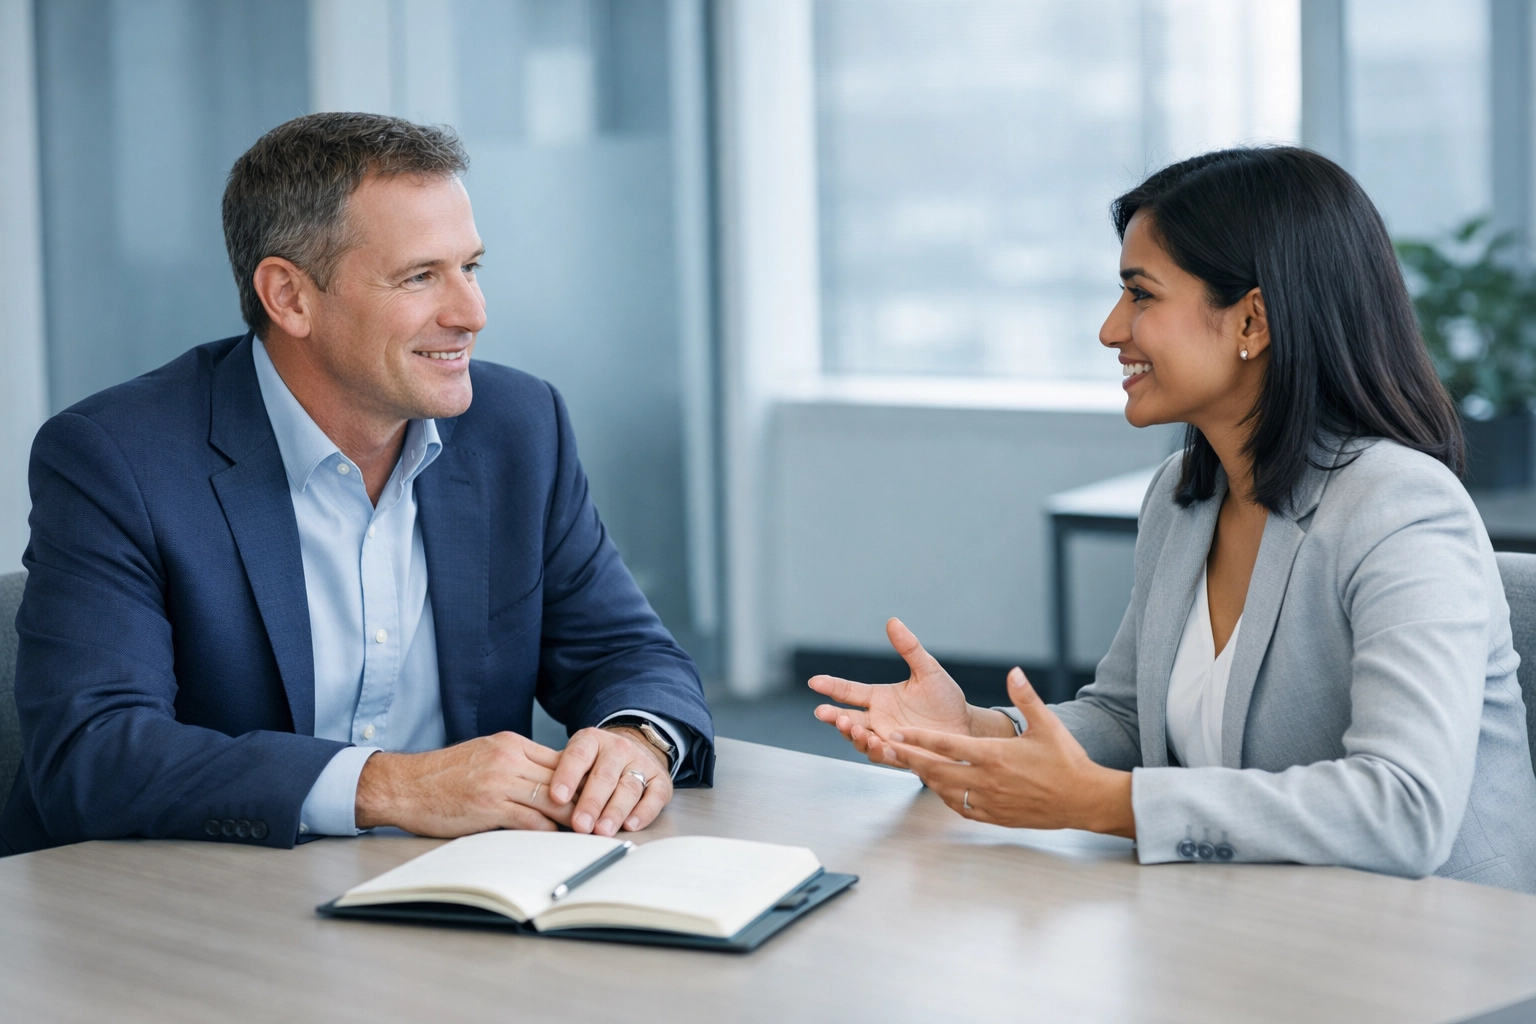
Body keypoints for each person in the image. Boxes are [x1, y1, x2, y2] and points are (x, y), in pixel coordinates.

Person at [810, 146, 1536, 892]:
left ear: (1252, 318)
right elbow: (1129, 721)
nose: (1110, 329)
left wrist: (1109, 805)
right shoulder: (1184, 499)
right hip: (1262, 925)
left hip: (1445, 963)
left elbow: (1404, 809)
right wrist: (974, 731)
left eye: (1141, 295)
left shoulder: (1400, 509)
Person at [0, 113, 714, 856]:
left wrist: (635, 740)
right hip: (187, 906)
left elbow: (628, 654)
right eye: (420, 277)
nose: (472, 313)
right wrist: (395, 786)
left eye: (470, 267)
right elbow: (93, 754)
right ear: (290, 297)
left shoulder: (519, 425)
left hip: (448, 894)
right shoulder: (117, 458)